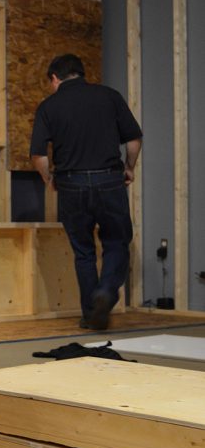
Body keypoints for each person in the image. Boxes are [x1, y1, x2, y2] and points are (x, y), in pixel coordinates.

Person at [30, 53, 143, 330]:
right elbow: (133, 139)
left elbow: (38, 155)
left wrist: (49, 179)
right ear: (80, 73)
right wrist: (129, 168)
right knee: (116, 242)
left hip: (71, 183)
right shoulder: (109, 96)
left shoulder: (49, 106)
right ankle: (106, 291)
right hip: (109, 180)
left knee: (83, 252)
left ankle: (91, 314)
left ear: (54, 78)